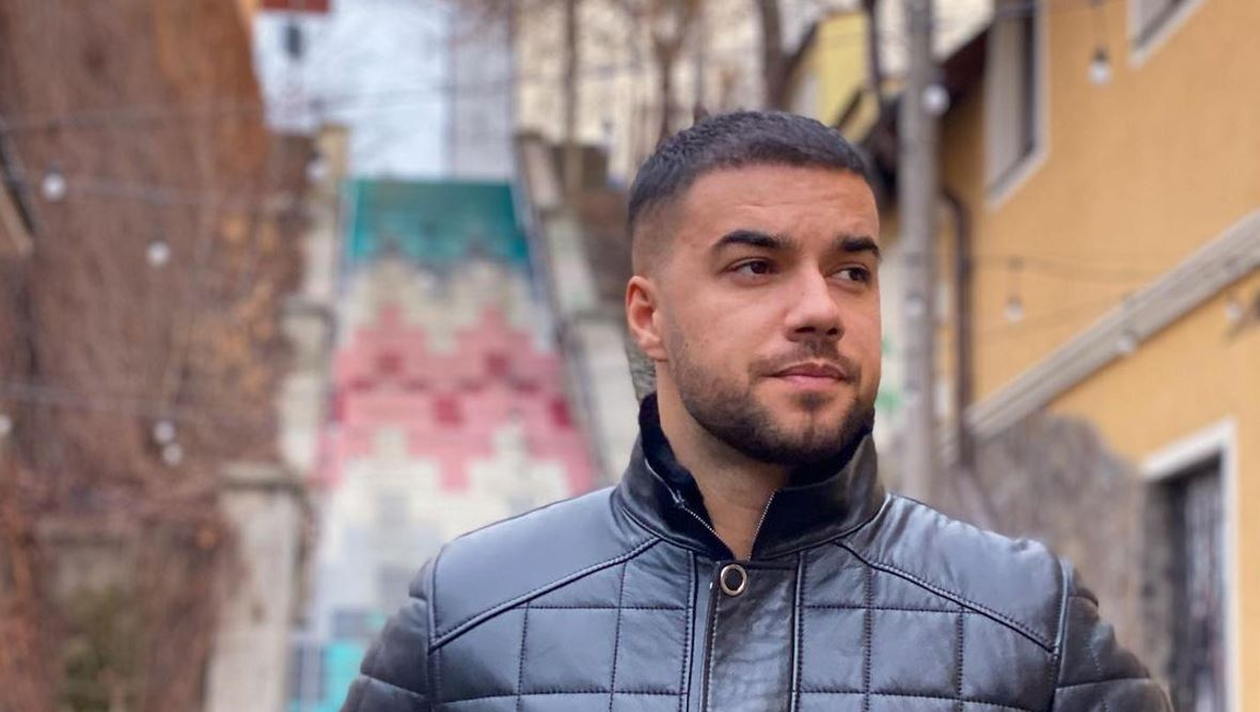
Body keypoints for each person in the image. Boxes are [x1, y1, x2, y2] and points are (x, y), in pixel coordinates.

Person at [341, 111, 1169, 712]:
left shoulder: (1026, 624)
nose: (821, 309)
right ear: (648, 317)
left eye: (852, 272)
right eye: (755, 267)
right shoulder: (468, 617)